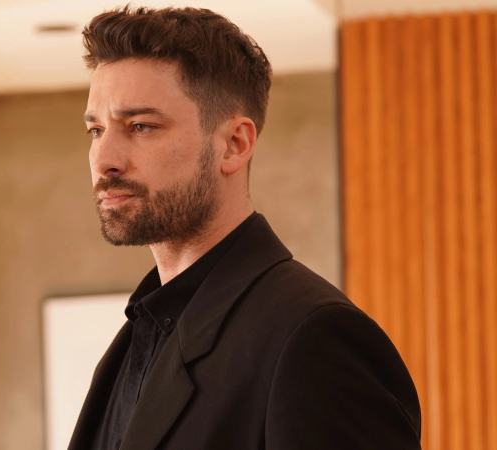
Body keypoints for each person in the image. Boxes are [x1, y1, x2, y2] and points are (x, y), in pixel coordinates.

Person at [70, 6, 421, 450]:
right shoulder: (135, 338)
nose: (104, 159)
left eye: (141, 126)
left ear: (234, 145)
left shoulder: (314, 338)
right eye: (96, 130)